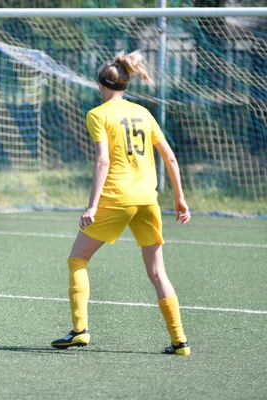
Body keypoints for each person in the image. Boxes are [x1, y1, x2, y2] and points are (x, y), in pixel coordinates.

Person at [50, 51, 192, 355]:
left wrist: (92, 205)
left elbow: (103, 160)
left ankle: (79, 330)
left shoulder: (98, 114)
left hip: (116, 198)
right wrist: (180, 198)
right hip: (147, 200)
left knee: (77, 260)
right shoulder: (144, 112)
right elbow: (169, 156)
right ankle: (179, 341)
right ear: (126, 83)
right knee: (158, 274)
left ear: (101, 85)